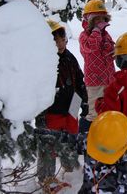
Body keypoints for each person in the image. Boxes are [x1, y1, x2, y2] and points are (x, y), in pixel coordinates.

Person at [36, 20, 88, 187]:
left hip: (71, 108)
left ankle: (70, 168)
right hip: (51, 112)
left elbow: (79, 80)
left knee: (71, 139)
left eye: (62, 39)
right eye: (55, 40)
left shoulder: (70, 57)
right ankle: (46, 179)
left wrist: (84, 101)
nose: (60, 44)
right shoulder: (43, 61)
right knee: (48, 146)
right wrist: (40, 114)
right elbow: (36, 90)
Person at [79, 0, 116, 132]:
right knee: (94, 113)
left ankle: (106, 133)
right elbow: (91, 46)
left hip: (109, 79)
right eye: (96, 19)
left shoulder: (106, 35)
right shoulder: (84, 36)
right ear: (88, 20)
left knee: (109, 108)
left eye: (102, 19)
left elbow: (110, 52)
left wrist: (113, 49)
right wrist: (96, 31)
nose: (100, 22)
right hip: (94, 81)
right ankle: (85, 136)